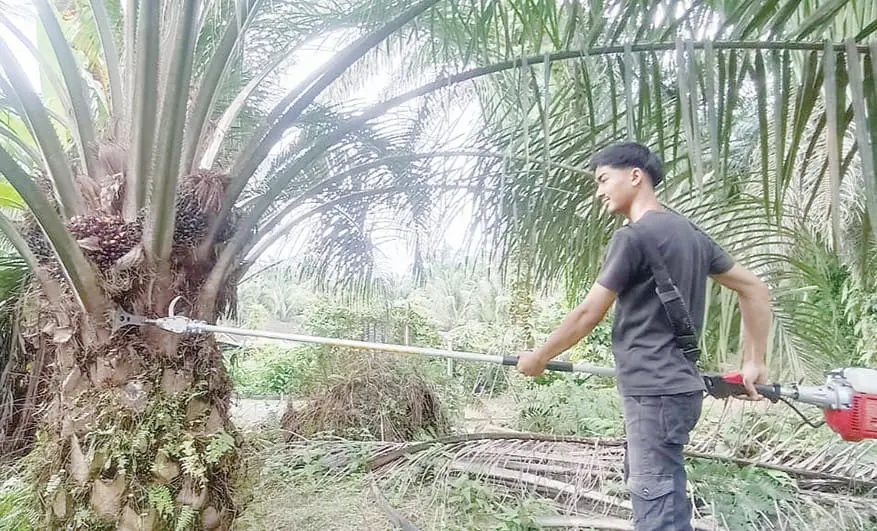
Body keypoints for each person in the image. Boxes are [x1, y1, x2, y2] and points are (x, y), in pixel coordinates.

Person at [516, 142, 771, 530]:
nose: (599, 191)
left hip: (653, 394)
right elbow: (754, 289)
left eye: (603, 179)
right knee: (664, 500)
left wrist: (539, 358)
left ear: (635, 176)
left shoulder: (631, 238)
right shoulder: (692, 234)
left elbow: (589, 313)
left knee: (657, 514)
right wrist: (755, 361)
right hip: (676, 391)